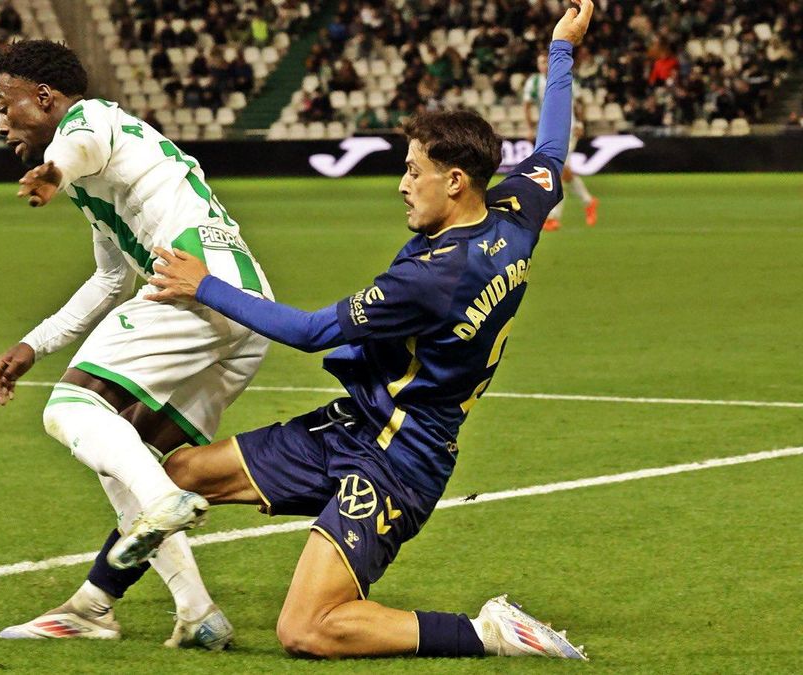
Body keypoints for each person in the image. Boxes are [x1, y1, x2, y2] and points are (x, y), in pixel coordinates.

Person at [106, 1, 596, 660]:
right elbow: (553, 148)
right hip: (359, 421)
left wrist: (206, 286)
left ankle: (488, 631)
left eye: (413, 171)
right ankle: (90, 607)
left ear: (454, 182)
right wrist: (561, 51)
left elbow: (311, 331)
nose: (402, 186)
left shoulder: (432, 277)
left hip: (401, 459)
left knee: (305, 629)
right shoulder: (516, 211)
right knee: (183, 472)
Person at [0, 39, 272, 648]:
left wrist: (54, 174)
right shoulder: (102, 178)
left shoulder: (91, 122)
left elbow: (77, 144)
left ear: (45, 97)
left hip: (191, 281)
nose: (0, 121)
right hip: (242, 310)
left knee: (71, 411)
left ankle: (165, 502)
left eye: (5, 105)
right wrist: (34, 344)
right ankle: (176, 611)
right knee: (125, 455)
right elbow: (112, 278)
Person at [523, 51, 598, 231]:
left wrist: (580, 122)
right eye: (541, 62)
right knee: (563, 170)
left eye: (546, 62)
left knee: (558, 169)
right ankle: (589, 201)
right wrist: (530, 127)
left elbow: (580, 101)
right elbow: (526, 105)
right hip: (549, 130)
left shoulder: (565, 78)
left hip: (568, 128)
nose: (544, 65)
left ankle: (553, 217)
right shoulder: (533, 82)